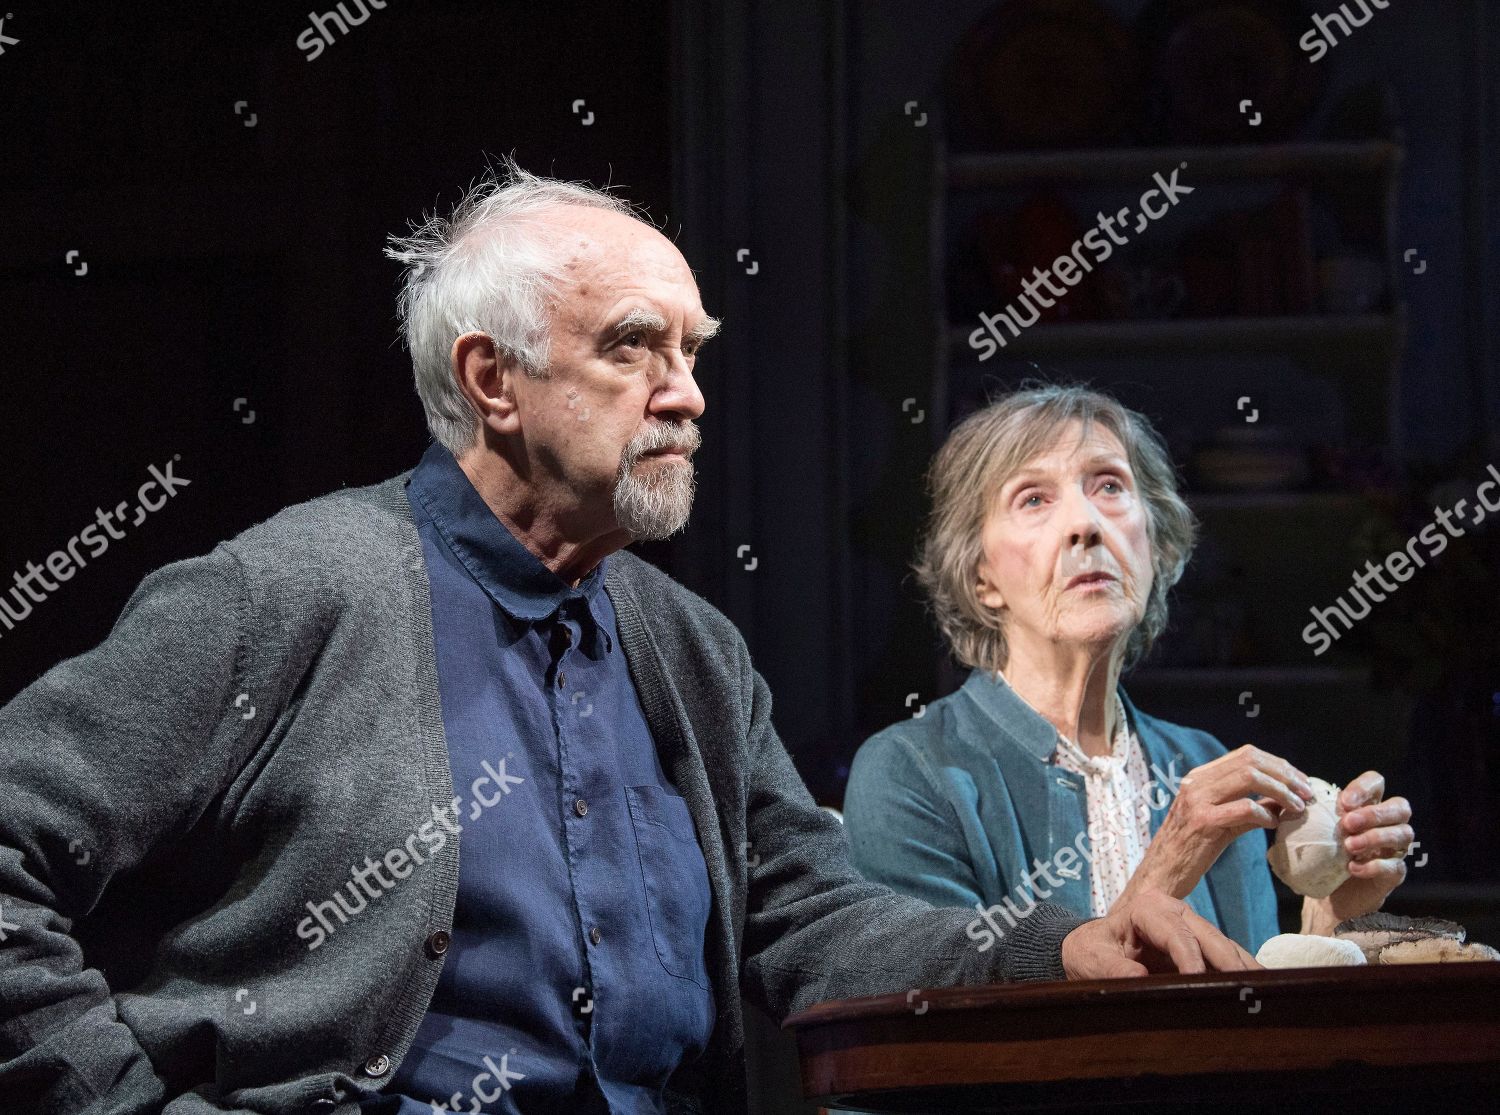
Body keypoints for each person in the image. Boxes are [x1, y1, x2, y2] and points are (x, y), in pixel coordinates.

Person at [0, 168, 1257, 1115]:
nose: (688, 392)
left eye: (694, 351)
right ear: (492, 379)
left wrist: (1057, 948)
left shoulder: (691, 650)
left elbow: (813, 917)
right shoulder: (286, 591)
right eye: (634, 346)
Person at [844, 384, 1415, 955]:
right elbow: (949, 1030)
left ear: (1157, 544)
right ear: (981, 579)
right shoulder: (909, 773)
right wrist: (1172, 860)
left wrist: (1329, 925)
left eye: (1110, 486)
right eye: (1034, 499)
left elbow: (1247, 1028)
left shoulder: (1204, 765)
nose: (1085, 525)